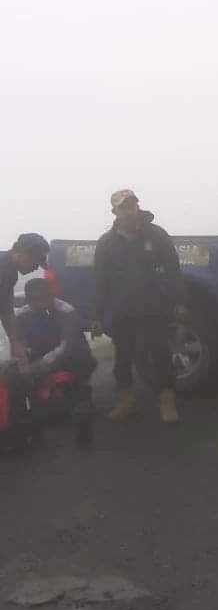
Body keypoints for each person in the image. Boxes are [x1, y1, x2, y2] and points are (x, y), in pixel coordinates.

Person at [91, 189, 188, 424]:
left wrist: (180, 302)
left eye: (132, 205)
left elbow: (174, 271)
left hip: (155, 308)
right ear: (114, 211)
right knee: (123, 358)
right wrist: (96, 316)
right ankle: (125, 401)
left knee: (161, 354)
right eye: (123, 207)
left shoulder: (157, 235)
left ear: (138, 206)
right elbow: (100, 280)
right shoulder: (106, 242)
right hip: (122, 310)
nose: (129, 211)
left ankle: (167, 402)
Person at [16, 278, 97, 447]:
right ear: (28, 300)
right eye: (36, 300)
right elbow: (18, 343)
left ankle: (82, 403)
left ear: (52, 295)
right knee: (17, 377)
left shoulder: (67, 311)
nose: (42, 303)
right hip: (39, 357)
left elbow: (66, 346)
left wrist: (39, 366)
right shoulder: (22, 315)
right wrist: (21, 361)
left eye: (45, 298)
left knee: (79, 368)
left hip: (70, 358)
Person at [0, 233, 51, 366]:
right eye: (34, 259)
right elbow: (6, 312)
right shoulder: (3, 269)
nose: (35, 267)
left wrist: (15, 342)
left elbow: (6, 309)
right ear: (18, 250)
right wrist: (16, 343)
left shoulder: (9, 270)